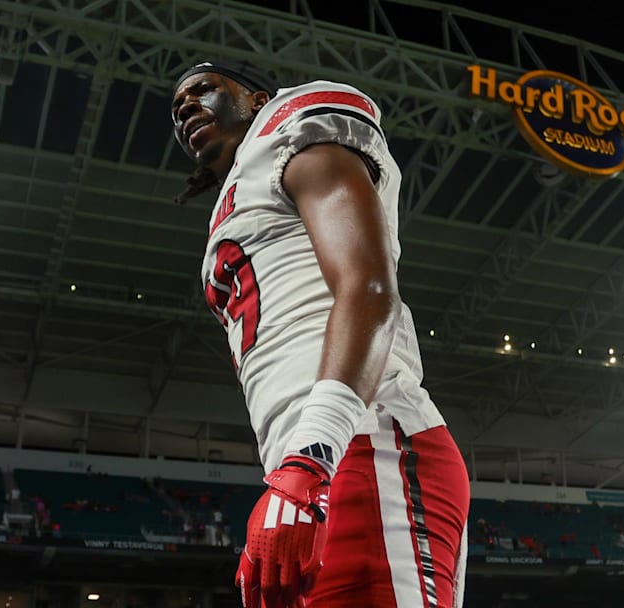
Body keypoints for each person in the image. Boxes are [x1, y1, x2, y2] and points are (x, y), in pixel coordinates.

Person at [170, 59, 470, 607]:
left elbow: (369, 289)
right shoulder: (242, 190)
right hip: (316, 459)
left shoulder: (293, 130)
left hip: (362, 444)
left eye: (206, 89)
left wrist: (310, 461)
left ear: (260, 100)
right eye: (176, 106)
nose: (186, 106)